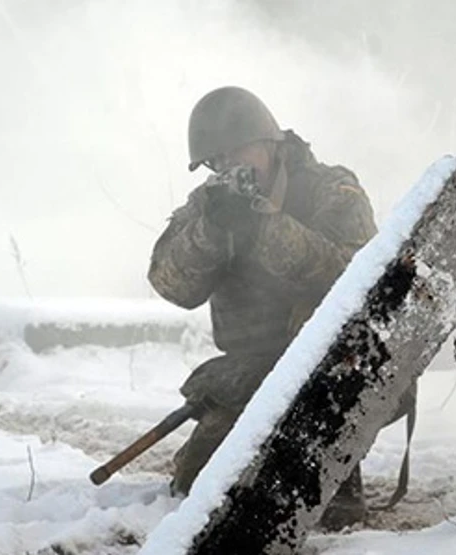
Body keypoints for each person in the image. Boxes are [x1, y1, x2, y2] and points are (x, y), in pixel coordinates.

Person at [147, 86, 402, 530]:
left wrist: (264, 225)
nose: (229, 169)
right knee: (198, 487)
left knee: (320, 498)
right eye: (217, 162)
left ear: (269, 143)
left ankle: (338, 471)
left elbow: (350, 277)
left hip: (344, 368)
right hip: (256, 374)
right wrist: (211, 231)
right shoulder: (213, 203)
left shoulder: (332, 189)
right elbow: (171, 284)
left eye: (236, 154)